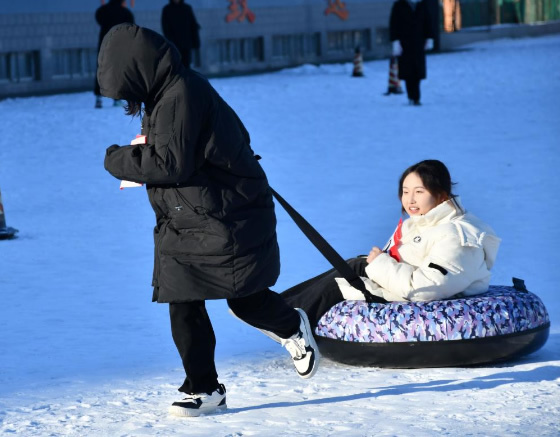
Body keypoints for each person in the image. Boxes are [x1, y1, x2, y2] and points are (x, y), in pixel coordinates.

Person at [98, 24, 319, 418]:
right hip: (187, 217)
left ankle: (290, 326)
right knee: (181, 301)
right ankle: (203, 388)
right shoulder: (164, 95)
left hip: (226, 216)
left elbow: (170, 163)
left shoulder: (182, 94)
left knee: (245, 300)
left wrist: (116, 159)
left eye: (127, 91)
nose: (127, 102)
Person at [281, 160, 501, 327]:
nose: (410, 200)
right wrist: (378, 262)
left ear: (442, 194)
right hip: (402, 285)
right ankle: (278, 307)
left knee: (348, 277)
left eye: (419, 192)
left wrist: (380, 265)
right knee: (352, 265)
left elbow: (427, 288)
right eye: (405, 192)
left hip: (423, 298)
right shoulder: (418, 223)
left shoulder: (458, 236)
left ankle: (284, 321)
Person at [389, 0, 435, 106]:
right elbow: (394, 24)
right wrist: (396, 41)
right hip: (405, 44)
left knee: (418, 71)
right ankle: (412, 96)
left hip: (419, 43)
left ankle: (416, 96)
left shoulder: (422, 5)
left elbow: (428, 21)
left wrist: (429, 37)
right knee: (408, 72)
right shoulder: (399, 5)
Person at [94, 0, 134, 109]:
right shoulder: (125, 12)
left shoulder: (102, 11)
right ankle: (116, 98)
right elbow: (131, 26)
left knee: (102, 69)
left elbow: (98, 18)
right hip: (119, 44)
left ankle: (98, 97)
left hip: (104, 43)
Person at [161, 0, 201, 69]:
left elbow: (193, 26)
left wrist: (196, 42)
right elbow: (165, 28)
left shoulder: (187, 8)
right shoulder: (167, 9)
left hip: (186, 44)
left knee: (186, 67)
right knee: (176, 67)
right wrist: (170, 42)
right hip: (174, 45)